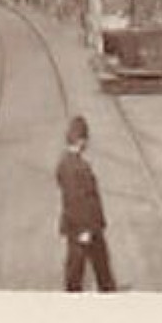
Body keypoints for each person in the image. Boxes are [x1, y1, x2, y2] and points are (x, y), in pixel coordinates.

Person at [56, 115, 115, 292]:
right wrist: (84, 230)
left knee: (99, 270)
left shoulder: (68, 163)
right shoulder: (74, 166)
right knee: (79, 273)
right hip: (83, 228)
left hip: (88, 227)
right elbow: (75, 200)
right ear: (81, 140)